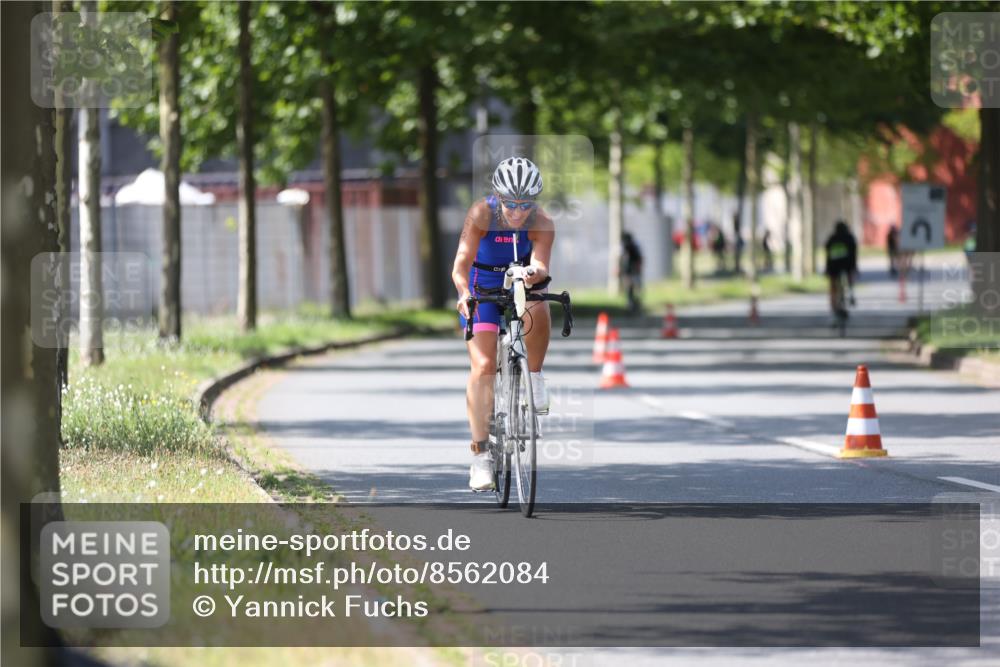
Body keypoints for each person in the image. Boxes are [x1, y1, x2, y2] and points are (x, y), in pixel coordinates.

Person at [452, 157, 555, 491]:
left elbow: (540, 262)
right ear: (498, 197)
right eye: (511, 204)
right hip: (481, 288)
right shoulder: (481, 213)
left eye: (525, 204)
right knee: (483, 367)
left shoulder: (542, 221)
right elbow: (460, 265)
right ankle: (480, 456)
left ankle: (534, 376)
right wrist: (464, 292)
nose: (517, 211)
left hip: (519, 283)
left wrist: (532, 272)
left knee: (538, 306)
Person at [824, 220, 859, 319]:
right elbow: (854, 254)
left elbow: (828, 254)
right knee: (849, 275)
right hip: (847, 265)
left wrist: (827, 269)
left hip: (833, 266)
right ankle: (851, 292)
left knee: (833, 285)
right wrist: (855, 267)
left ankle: (833, 305)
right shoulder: (849, 238)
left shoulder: (832, 238)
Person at [620, 232, 644, 313]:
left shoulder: (633, 247)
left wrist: (637, 269)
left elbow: (639, 260)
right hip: (628, 272)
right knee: (630, 289)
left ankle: (635, 305)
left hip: (633, 271)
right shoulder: (625, 248)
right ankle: (631, 305)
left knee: (635, 289)